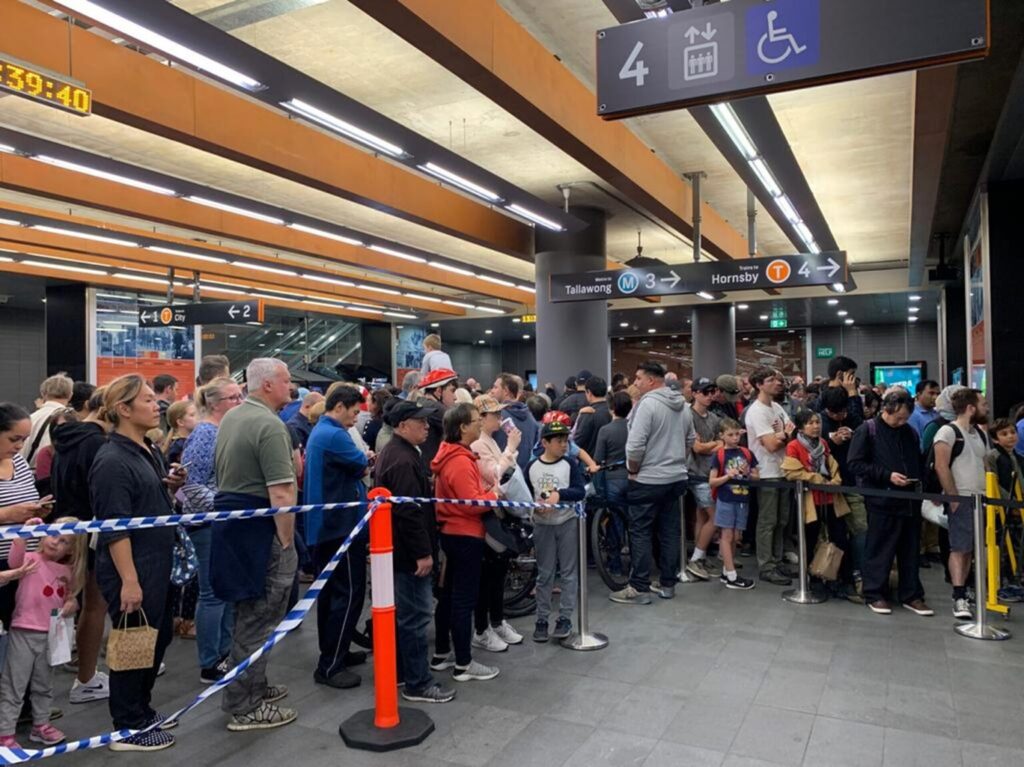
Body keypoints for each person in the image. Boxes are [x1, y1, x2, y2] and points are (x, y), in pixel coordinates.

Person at [90, 375, 186, 751]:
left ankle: (141, 710)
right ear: (124, 410)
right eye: (147, 400)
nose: (157, 405)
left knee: (156, 639)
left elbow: (144, 502)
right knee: (133, 644)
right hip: (133, 567)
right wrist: (129, 580)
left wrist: (170, 486)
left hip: (157, 563)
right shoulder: (111, 460)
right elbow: (115, 528)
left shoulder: (147, 448)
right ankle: (127, 726)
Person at [212, 359, 298, 732]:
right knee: (260, 618)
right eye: (286, 380)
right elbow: (281, 491)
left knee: (249, 615)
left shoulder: (233, 416)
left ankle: (254, 686)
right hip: (262, 534)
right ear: (267, 385)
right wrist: (288, 543)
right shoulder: (269, 425)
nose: (291, 387)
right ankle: (244, 705)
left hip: (235, 530)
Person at [374, 401, 455, 704]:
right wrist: (423, 553)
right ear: (402, 425)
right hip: (408, 553)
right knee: (416, 616)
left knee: (406, 615)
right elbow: (409, 512)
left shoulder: (398, 453)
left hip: (399, 549)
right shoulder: (403, 460)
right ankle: (418, 682)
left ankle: (401, 673)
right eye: (420, 422)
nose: (427, 427)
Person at [303, 385, 370, 689]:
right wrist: (365, 457)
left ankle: (333, 652)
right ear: (340, 406)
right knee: (349, 593)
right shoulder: (333, 435)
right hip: (340, 528)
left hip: (327, 527)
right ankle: (331, 664)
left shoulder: (321, 431)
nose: (356, 418)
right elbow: (359, 463)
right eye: (355, 412)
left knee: (331, 595)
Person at [610, 361, 693, 604]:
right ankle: (668, 584)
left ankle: (640, 587)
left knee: (641, 532)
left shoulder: (647, 405)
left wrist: (633, 469)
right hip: (676, 477)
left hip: (648, 479)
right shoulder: (683, 406)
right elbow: (690, 440)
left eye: (638, 378)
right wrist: (678, 462)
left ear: (651, 381)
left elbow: (635, 445)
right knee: (669, 531)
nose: (635, 383)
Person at [0, 516, 85, 749]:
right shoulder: (30, 559)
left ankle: (41, 724)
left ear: (72, 548)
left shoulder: (67, 571)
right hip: (23, 632)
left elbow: (71, 598)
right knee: (14, 685)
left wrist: (71, 605)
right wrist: (24, 533)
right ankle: (5, 732)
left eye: (64, 540)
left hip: (50, 636)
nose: (55, 542)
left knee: (44, 683)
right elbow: (13, 560)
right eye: (52, 534)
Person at [429, 404, 500, 683]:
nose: (479, 424)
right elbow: (472, 503)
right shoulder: (459, 461)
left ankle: (443, 654)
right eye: (475, 421)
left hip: (453, 532)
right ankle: (463, 663)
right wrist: (494, 496)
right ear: (462, 428)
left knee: (449, 597)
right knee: (462, 599)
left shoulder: (452, 456)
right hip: (465, 535)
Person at [180, 377, 243, 684]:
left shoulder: (220, 431)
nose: (239, 402)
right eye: (233, 398)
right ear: (215, 403)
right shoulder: (205, 434)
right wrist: (221, 506)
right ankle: (210, 661)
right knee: (212, 594)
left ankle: (224, 653)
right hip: (207, 524)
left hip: (221, 522)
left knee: (225, 592)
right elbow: (191, 482)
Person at [51, 387, 113, 703]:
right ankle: (86, 677)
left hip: (70, 526)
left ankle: (84, 674)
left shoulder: (67, 439)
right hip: (91, 532)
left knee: (84, 605)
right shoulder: (97, 444)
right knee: (95, 605)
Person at [847, 390, 932, 617]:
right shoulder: (868, 430)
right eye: (898, 417)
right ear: (886, 409)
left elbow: (918, 460)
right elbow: (855, 463)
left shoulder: (910, 432)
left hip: (910, 500)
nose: (901, 422)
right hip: (881, 499)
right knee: (880, 548)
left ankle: (911, 594)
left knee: (910, 549)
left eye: (905, 418)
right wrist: (886, 475)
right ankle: (874, 593)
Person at [0, 403, 55, 675]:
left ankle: (22, 702)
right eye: (14, 439)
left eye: (24, 439)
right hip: (3, 566)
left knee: (24, 635)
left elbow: (27, 498)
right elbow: (11, 509)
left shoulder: (20, 463)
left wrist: (36, 510)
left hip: (27, 562)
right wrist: (9, 514)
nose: (20, 446)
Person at [470, 395, 523, 653]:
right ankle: (482, 627)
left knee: (498, 571)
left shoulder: (490, 441)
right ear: (481, 419)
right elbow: (493, 475)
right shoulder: (478, 445)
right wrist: (510, 449)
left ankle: (496, 620)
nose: (499, 419)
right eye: (494, 415)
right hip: (487, 514)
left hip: (498, 511)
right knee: (487, 574)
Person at [527, 419, 586, 642]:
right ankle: (541, 618)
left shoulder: (570, 465)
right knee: (544, 573)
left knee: (569, 572)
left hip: (567, 522)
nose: (564, 445)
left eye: (566, 441)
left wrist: (560, 495)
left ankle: (565, 617)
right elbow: (525, 493)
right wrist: (533, 509)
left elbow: (579, 491)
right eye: (559, 441)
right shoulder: (532, 466)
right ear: (545, 442)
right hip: (542, 525)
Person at [782, 410, 852, 598]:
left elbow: (832, 465)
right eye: (811, 423)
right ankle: (812, 578)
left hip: (830, 497)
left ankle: (835, 576)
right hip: (809, 500)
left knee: (839, 537)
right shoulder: (794, 446)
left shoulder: (823, 443)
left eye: (817, 422)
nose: (815, 426)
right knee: (810, 539)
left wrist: (835, 480)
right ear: (802, 426)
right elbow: (791, 471)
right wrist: (815, 478)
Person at [933, 388, 990, 619]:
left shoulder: (980, 434)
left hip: (981, 498)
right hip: (962, 499)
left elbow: (985, 464)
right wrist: (953, 497)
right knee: (960, 547)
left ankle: (966, 589)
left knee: (972, 549)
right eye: (983, 403)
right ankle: (958, 594)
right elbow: (941, 466)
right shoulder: (947, 432)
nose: (986, 407)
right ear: (971, 408)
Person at [745, 367, 796, 586]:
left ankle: (776, 559)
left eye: (777, 379)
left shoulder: (776, 407)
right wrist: (783, 433)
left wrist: (782, 433)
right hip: (766, 472)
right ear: (759, 385)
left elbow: (794, 430)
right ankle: (766, 565)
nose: (777, 383)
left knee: (782, 520)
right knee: (768, 521)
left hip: (783, 469)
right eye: (771, 380)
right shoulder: (756, 411)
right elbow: (772, 444)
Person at [818, 387, 868, 600]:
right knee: (833, 535)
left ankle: (860, 574)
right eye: (834, 413)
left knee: (861, 529)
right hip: (827, 485)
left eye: (842, 412)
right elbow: (809, 447)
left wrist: (853, 436)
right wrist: (831, 442)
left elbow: (867, 442)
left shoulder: (856, 418)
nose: (839, 416)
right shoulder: (818, 421)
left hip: (852, 482)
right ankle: (832, 576)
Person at [708, 418, 757, 589]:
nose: (735, 438)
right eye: (730, 435)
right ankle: (731, 574)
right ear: (722, 436)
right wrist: (728, 476)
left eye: (737, 434)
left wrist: (748, 472)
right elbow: (712, 481)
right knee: (727, 536)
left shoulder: (746, 453)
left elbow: (757, 475)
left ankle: (726, 570)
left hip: (742, 499)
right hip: (726, 499)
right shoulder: (719, 455)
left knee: (736, 537)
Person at [685, 378, 722, 581]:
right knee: (714, 517)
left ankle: (700, 555)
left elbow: (722, 443)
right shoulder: (688, 416)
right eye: (704, 392)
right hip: (695, 473)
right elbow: (697, 448)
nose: (709, 396)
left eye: (711, 392)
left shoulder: (714, 418)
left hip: (709, 473)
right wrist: (714, 444)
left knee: (702, 516)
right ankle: (697, 557)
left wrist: (710, 444)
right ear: (695, 393)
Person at [593, 391, 633, 576]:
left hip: (612, 480)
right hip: (633, 478)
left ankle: (615, 565)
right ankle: (636, 564)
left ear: (612, 409)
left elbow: (598, 459)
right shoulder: (634, 429)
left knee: (614, 523)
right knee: (634, 523)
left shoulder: (606, 430)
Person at [22, 374, 73, 471]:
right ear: (70, 395)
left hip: (27, 476)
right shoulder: (70, 419)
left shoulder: (29, 418)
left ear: (43, 394)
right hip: (51, 476)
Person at [490, 374, 540, 473]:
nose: (492, 391)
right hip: (524, 476)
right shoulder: (531, 418)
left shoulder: (496, 417)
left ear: (506, 391)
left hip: (503, 475)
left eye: (495, 387)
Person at [414, 368, 458, 467]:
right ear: (438, 391)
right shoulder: (436, 409)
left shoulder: (422, 403)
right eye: (452, 391)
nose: (455, 397)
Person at [572, 377, 611, 459]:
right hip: (610, 462)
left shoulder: (587, 413)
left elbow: (577, 442)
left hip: (589, 462)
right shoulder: (613, 411)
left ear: (589, 392)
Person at [162, 400, 198, 466]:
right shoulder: (179, 446)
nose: (198, 417)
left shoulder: (192, 440)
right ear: (180, 422)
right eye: (192, 415)